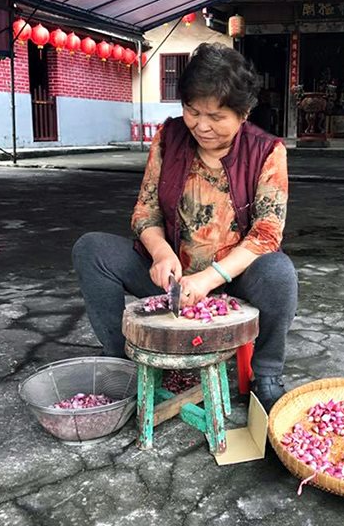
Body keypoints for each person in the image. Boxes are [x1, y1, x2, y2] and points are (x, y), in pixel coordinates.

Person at [72, 43, 298, 412]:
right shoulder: (169, 137)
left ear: (243, 113)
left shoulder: (267, 150)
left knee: (279, 273)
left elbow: (266, 233)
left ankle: (267, 374)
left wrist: (208, 279)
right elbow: (145, 211)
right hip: (172, 281)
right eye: (192, 111)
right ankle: (120, 361)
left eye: (216, 116)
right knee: (91, 249)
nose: (202, 125)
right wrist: (160, 253)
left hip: (233, 279)